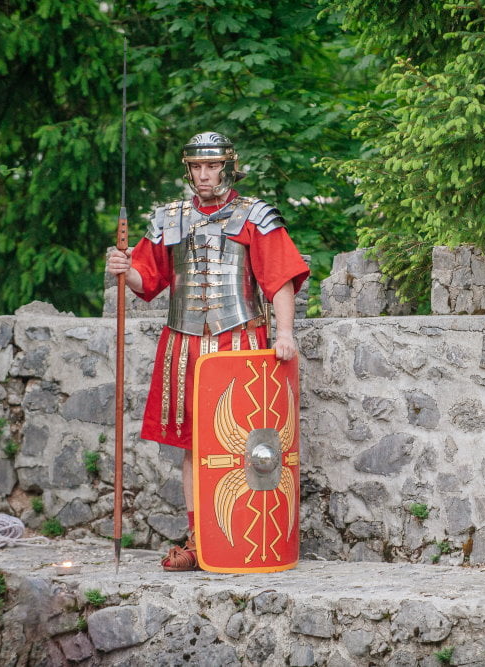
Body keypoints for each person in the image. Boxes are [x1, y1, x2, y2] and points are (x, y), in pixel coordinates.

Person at [106, 131, 309, 571]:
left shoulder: (254, 215)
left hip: (240, 342)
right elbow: (147, 279)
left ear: (228, 167)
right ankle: (201, 540)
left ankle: (248, 538)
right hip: (183, 344)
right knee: (194, 446)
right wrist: (124, 269)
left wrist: (285, 333)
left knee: (251, 444)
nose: (204, 174)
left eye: (212, 166)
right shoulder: (168, 218)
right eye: (197, 167)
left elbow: (279, 278)